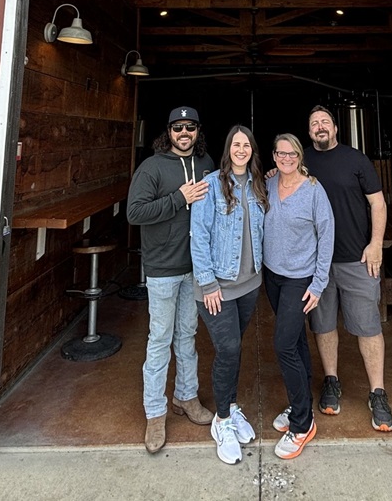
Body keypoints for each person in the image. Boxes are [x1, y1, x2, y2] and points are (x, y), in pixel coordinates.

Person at [126, 106, 216, 453]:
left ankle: (186, 397)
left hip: (195, 267)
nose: (184, 133)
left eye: (190, 127)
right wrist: (179, 198)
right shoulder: (152, 167)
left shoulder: (206, 164)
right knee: (160, 340)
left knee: (187, 336)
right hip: (163, 268)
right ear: (169, 132)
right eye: (178, 127)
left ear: (198, 131)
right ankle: (155, 413)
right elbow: (135, 212)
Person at [303, 104, 392, 432]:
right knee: (323, 324)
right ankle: (331, 380)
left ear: (335, 128)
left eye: (325, 121)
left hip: (357, 259)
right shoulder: (302, 161)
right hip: (318, 263)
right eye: (314, 123)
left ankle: (377, 392)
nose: (320, 126)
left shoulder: (356, 160)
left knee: (368, 326)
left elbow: (377, 202)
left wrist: (375, 243)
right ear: (309, 131)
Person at [189, 125, 267, 465]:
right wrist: (208, 284)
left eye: (246, 144)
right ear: (228, 149)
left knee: (234, 350)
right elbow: (198, 236)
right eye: (236, 144)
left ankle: (231, 406)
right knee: (229, 348)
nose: (241, 149)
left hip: (249, 284)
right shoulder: (211, 185)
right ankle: (221, 421)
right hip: (217, 287)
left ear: (252, 150)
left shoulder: (259, 184)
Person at [263, 133, 334, 460]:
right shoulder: (269, 183)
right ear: (274, 156)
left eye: (292, 153)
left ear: (299, 156)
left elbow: (326, 236)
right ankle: (299, 403)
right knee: (296, 341)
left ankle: (302, 424)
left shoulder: (314, 190)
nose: (286, 158)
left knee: (283, 345)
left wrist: (318, 284)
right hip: (273, 276)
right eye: (281, 153)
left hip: (299, 279)